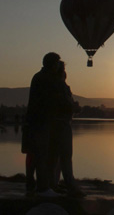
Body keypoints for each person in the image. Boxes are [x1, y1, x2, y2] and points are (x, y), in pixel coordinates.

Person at [25, 52, 62, 197]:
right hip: (41, 122)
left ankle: (34, 185)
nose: (59, 65)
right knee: (41, 155)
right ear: (53, 64)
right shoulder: (47, 79)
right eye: (57, 63)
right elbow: (50, 101)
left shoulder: (38, 76)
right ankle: (42, 188)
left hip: (36, 121)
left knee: (35, 155)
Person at [48, 60, 85, 197]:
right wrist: (75, 107)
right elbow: (64, 105)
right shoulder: (60, 86)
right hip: (62, 124)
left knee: (56, 156)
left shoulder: (52, 85)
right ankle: (70, 185)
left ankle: (54, 184)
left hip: (57, 124)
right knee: (65, 156)